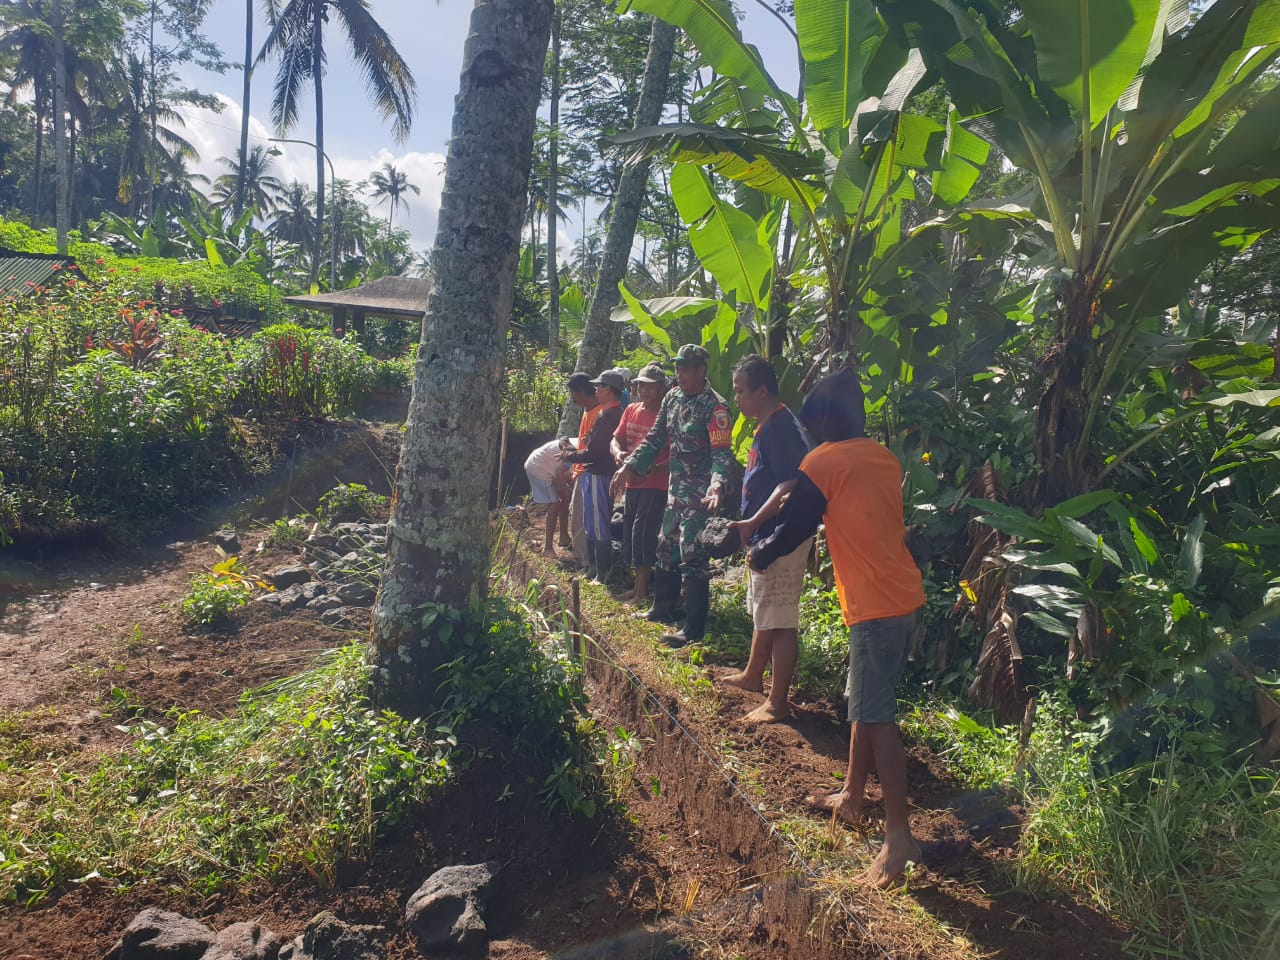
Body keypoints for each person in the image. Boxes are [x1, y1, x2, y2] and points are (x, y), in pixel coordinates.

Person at [749, 368, 926, 888]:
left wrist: (759, 551)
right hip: (898, 594)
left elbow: (798, 522)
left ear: (824, 421)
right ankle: (852, 794)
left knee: (876, 715)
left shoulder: (824, 460)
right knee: (862, 700)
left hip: (874, 604)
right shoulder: (882, 456)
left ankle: (899, 839)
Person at [612, 344, 733, 647]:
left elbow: (721, 454)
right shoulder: (672, 398)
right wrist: (629, 466)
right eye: (677, 368)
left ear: (700, 370)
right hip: (674, 489)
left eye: (684, 368)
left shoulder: (715, 407)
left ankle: (692, 628)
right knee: (666, 546)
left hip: (699, 492)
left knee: (691, 552)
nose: (678, 374)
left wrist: (717, 484)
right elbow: (655, 438)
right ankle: (662, 608)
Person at [722, 355, 811, 723]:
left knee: (780, 617)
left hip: (781, 535)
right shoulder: (769, 424)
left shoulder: (781, 429)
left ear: (762, 391)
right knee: (766, 609)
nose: (737, 399)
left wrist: (754, 521)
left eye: (741, 392)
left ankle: (778, 702)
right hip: (766, 532)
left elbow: (791, 483)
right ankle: (753, 674)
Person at [610, 362, 670, 607]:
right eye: (639, 385)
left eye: (649, 386)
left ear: (661, 389)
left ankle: (642, 592)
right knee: (631, 535)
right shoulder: (631, 410)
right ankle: (636, 587)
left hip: (655, 485)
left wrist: (652, 468)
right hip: (632, 484)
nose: (643, 390)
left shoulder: (665, 417)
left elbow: (676, 454)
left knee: (644, 535)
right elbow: (616, 438)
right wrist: (617, 454)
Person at [564, 369, 624, 583]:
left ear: (608, 390)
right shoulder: (605, 412)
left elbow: (596, 451)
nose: (595, 389)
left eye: (599, 386)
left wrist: (571, 456)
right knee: (591, 522)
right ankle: (594, 569)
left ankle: (602, 572)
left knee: (598, 523)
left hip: (600, 472)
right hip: (592, 471)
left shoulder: (609, 414)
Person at [559, 372, 599, 568]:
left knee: (583, 519)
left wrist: (573, 458)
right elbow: (584, 444)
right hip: (581, 469)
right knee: (577, 517)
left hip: (589, 471)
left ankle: (586, 561)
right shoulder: (587, 410)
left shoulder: (599, 413)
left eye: (573, 393)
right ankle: (583, 558)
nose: (572, 399)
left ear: (582, 391)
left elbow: (593, 449)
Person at [523, 438, 571, 557]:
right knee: (554, 504)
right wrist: (567, 494)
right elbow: (561, 472)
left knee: (563, 500)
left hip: (548, 465)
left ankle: (563, 537)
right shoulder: (579, 451)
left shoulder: (580, 446)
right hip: (539, 467)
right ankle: (548, 548)